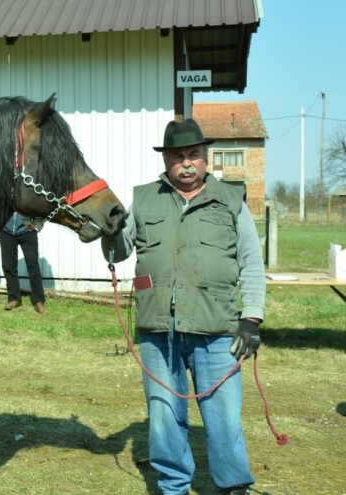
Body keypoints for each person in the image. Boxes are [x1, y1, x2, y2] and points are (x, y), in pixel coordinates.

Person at [102, 119, 265, 495]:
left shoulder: (231, 200)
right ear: (167, 161)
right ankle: (173, 486)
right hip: (158, 330)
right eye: (178, 157)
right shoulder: (143, 199)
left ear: (205, 158)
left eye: (194, 155)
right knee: (163, 414)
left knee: (223, 417)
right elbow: (119, 250)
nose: (187, 164)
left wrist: (251, 319)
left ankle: (233, 486)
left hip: (217, 329)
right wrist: (108, 233)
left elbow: (252, 262)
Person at [0, 212, 47, 314]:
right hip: (6, 231)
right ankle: (14, 298)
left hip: (27, 230)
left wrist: (37, 226)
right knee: (8, 266)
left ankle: (39, 301)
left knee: (33, 265)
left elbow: (38, 207)